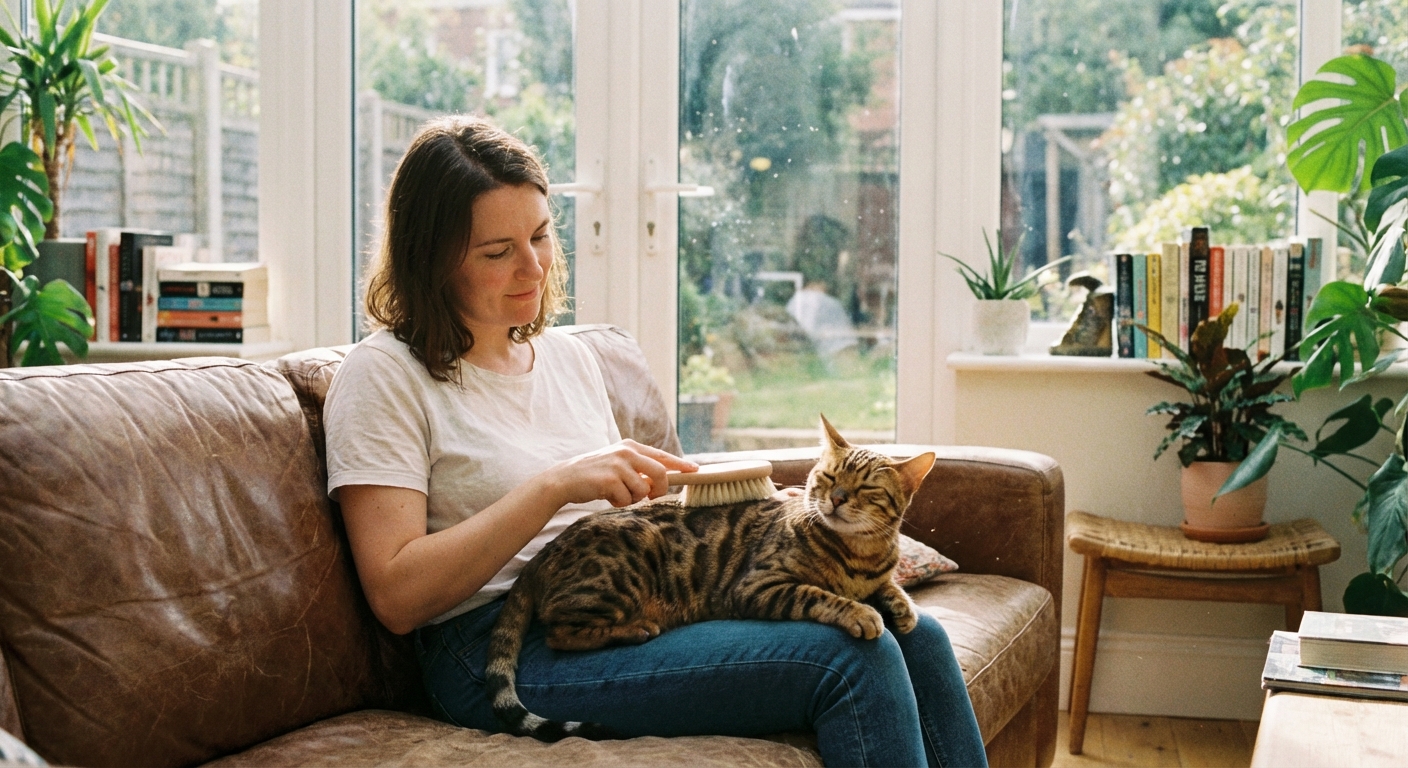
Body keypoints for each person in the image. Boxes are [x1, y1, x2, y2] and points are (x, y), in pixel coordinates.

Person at [322, 114, 988, 768]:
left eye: (541, 236)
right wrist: (554, 486)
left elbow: (620, 524)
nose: (532, 266)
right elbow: (398, 596)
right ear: (430, 259)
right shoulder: (383, 375)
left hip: (622, 594)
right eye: (498, 252)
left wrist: (732, 508)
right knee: (852, 659)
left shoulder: (564, 356)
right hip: (495, 646)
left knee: (918, 636)